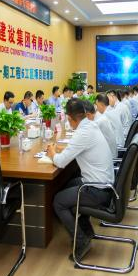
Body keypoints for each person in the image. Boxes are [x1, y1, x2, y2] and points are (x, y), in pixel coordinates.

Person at [49, 99, 114, 261]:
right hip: (104, 184)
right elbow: (78, 147)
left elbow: (60, 162)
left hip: (98, 190)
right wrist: (62, 149)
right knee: (69, 184)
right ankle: (86, 230)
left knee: (58, 201)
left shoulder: (83, 133)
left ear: (70, 118)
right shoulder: (90, 125)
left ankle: (81, 241)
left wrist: (52, 153)